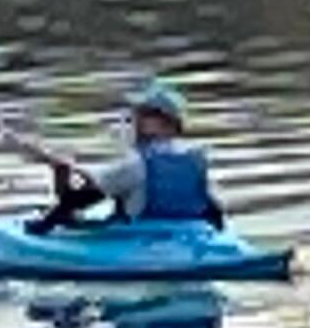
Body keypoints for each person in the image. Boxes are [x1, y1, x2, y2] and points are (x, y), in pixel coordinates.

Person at [26, 79, 225, 231]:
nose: (132, 121)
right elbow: (214, 210)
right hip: (185, 238)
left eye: (140, 115)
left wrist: (60, 178)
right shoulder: (196, 159)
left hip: (139, 242)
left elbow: (76, 201)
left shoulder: (135, 165)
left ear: (167, 124)